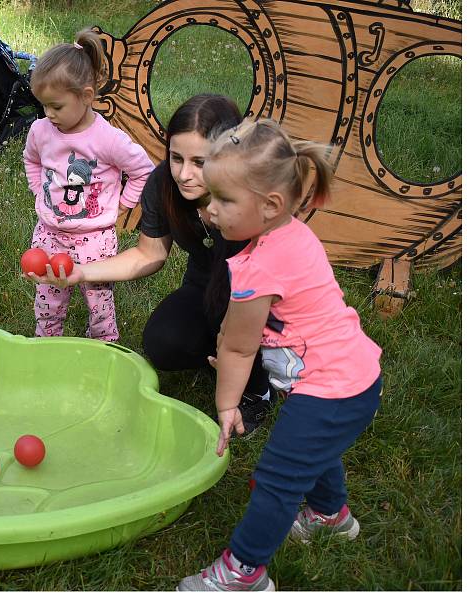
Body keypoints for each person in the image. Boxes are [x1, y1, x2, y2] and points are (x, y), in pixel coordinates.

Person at [176, 119, 382, 591]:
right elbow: (241, 323)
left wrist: (227, 403)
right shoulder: (291, 235)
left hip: (333, 387)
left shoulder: (259, 264)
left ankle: (244, 572)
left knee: (277, 476)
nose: (212, 210)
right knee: (311, 449)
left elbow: (239, 345)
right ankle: (331, 515)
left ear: (269, 205)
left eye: (225, 200)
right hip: (350, 379)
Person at [30, 94, 272, 432]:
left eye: (199, 162)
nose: (184, 174)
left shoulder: (254, 195)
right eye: (176, 158)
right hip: (205, 284)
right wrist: (80, 272)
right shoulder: (163, 184)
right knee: (163, 342)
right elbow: (149, 254)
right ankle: (222, 356)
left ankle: (259, 386)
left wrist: (237, 334)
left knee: (231, 319)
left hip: (263, 297)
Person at [23, 29, 154, 341]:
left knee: (99, 302)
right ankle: (47, 343)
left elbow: (143, 169)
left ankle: (103, 344)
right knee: (47, 299)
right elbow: (31, 159)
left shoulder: (107, 138)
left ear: (86, 96)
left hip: (94, 238)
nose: (49, 114)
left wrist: (124, 205)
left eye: (56, 106)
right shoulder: (41, 131)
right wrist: (37, 190)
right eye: (44, 106)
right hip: (49, 233)